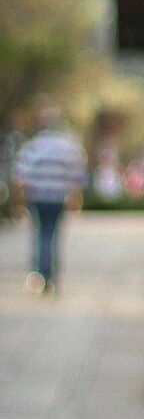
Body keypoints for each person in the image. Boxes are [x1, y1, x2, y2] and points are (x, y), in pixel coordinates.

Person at [13, 106, 88, 295]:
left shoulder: (33, 146)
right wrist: (75, 196)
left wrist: (19, 200)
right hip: (57, 198)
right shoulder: (68, 148)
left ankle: (40, 274)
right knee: (52, 235)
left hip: (37, 197)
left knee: (40, 235)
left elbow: (20, 175)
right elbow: (78, 175)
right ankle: (50, 275)